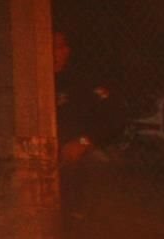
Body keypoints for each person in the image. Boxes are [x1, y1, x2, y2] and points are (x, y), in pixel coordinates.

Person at [53, 31, 126, 164]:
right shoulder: (34, 85)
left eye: (65, 46)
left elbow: (114, 116)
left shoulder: (81, 82)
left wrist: (84, 142)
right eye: (59, 47)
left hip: (80, 155)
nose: (66, 51)